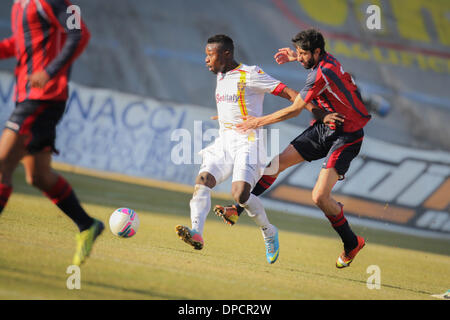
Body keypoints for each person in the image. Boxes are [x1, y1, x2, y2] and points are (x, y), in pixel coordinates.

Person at [214, 29, 369, 268]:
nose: (300, 57)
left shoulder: (321, 73)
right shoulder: (325, 60)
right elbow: (314, 68)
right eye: (299, 52)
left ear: (317, 52)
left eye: (303, 53)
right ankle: (237, 209)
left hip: (347, 135)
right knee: (274, 166)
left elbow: (294, 110)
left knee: (319, 197)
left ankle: (351, 243)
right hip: (326, 126)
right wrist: (296, 57)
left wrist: (257, 121)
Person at [175, 34, 325, 264]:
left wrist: (321, 114)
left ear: (226, 54)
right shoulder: (221, 75)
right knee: (203, 180)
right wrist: (225, 116)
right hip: (224, 140)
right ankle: (197, 232)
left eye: (210, 55)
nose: (206, 59)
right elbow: (233, 104)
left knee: (240, 195)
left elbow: (293, 95)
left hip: (249, 142)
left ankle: (268, 231)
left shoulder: (251, 74)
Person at [0, 0, 103, 266]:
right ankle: (87, 224)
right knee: (39, 176)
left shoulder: (50, 1)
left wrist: (49, 72)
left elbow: (79, 34)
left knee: (2, 165)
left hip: (43, 97)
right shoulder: (19, 5)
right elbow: (22, 44)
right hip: (28, 96)